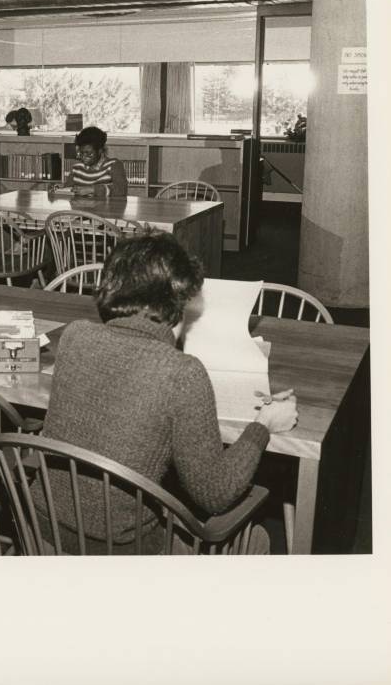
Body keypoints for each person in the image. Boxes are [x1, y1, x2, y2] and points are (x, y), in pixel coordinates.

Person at [39, 232, 298, 554]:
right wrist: (263, 425)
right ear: (179, 302)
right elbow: (214, 494)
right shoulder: (183, 373)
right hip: (122, 551)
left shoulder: (75, 336)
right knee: (257, 539)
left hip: (40, 531)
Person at [67, 125, 128, 197]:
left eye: (89, 153)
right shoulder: (77, 168)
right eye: (81, 153)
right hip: (79, 207)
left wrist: (92, 189)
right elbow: (66, 189)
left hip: (106, 208)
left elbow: (121, 190)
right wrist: (57, 189)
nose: (83, 157)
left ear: (100, 150)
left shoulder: (114, 165)